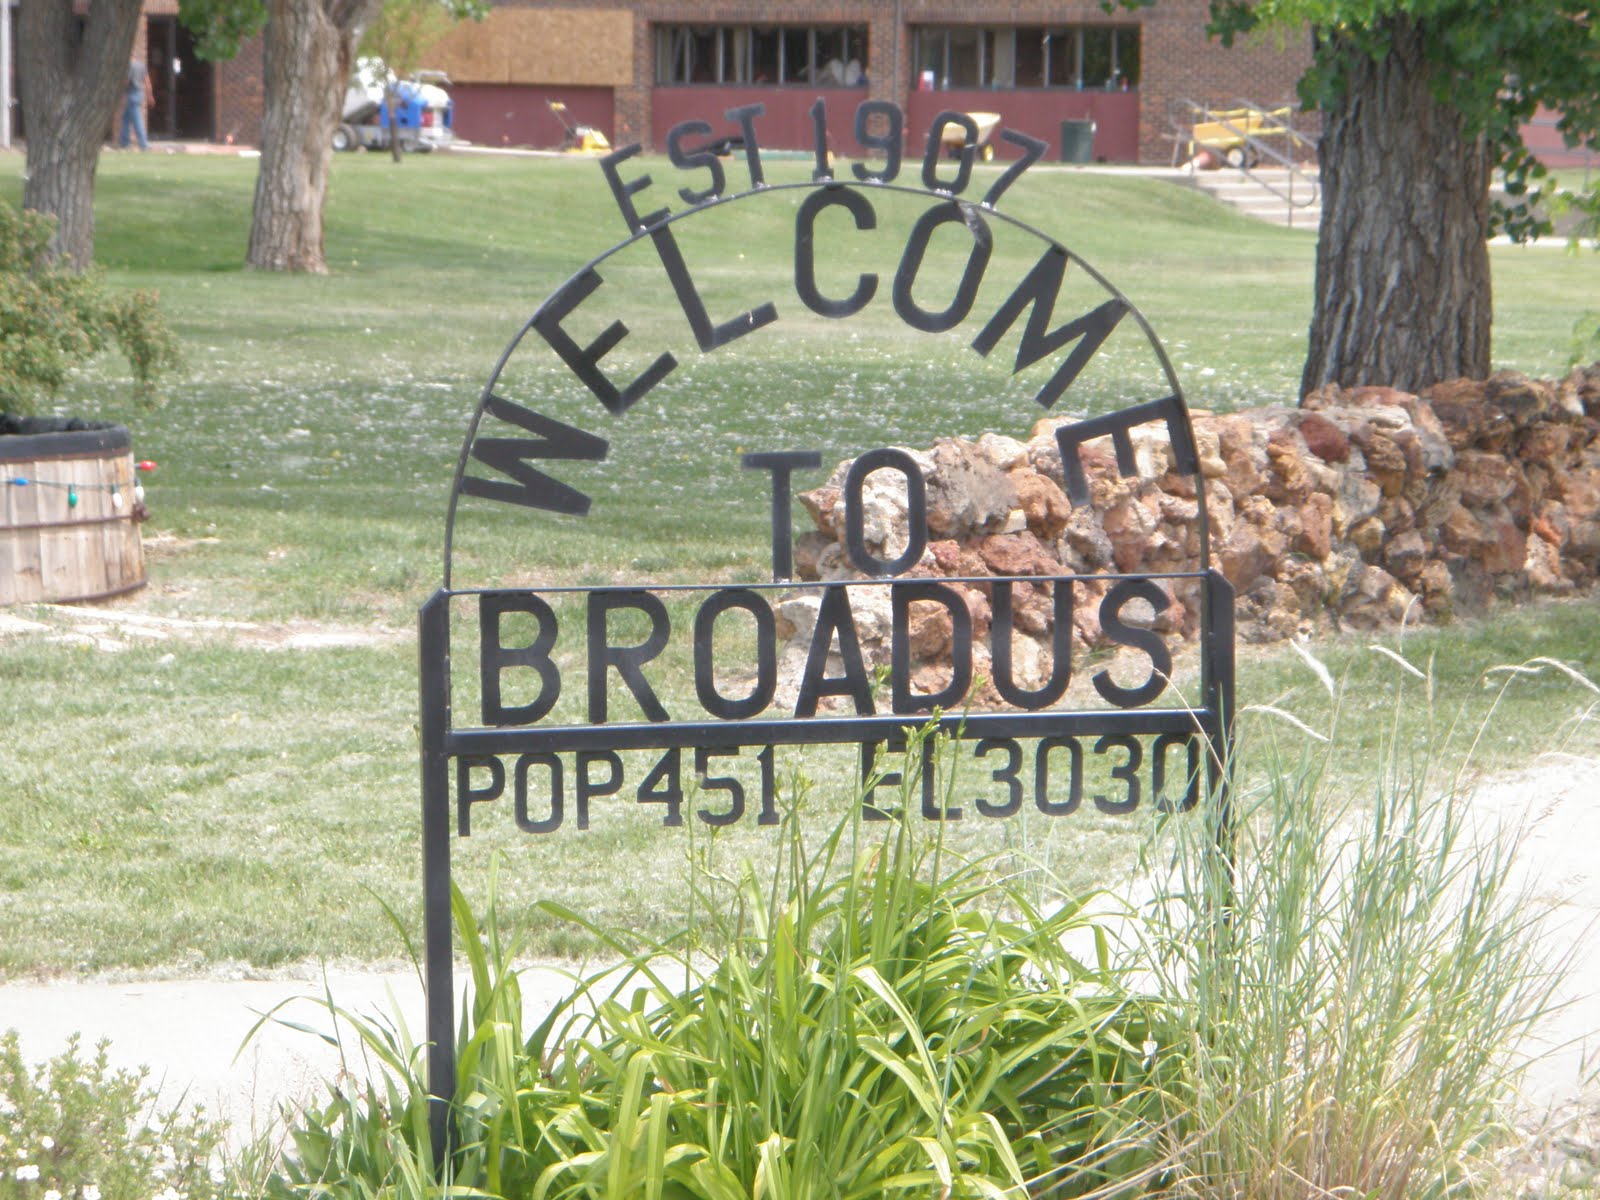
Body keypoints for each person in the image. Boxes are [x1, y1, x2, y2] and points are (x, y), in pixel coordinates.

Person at [120, 56, 150, 150]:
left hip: (131, 93)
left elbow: (127, 80)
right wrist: (150, 95)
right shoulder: (141, 65)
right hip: (139, 93)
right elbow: (147, 81)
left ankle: (143, 144)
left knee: (137, 120)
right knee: (125, 118)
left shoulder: (129, 66)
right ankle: (124, 142)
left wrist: (121, 91)